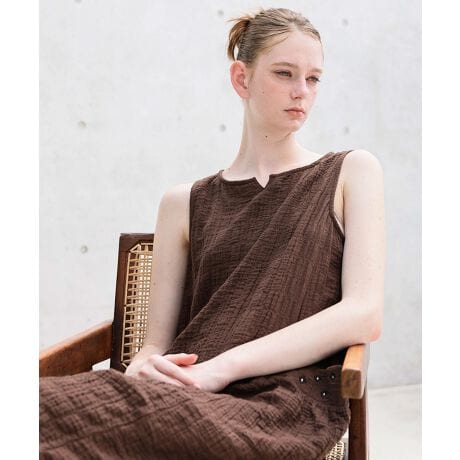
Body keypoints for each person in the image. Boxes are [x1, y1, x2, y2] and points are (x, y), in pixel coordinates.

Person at [40, 7, 385, 459]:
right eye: (285, 73)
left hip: (278, 409)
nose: (302, 91)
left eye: (314, 78)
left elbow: (363, 314)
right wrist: (143, 367)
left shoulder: (350, 172)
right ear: (241, 78)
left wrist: (221, 369)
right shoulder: (183, 202)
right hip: (181, 391)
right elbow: (154, 345)